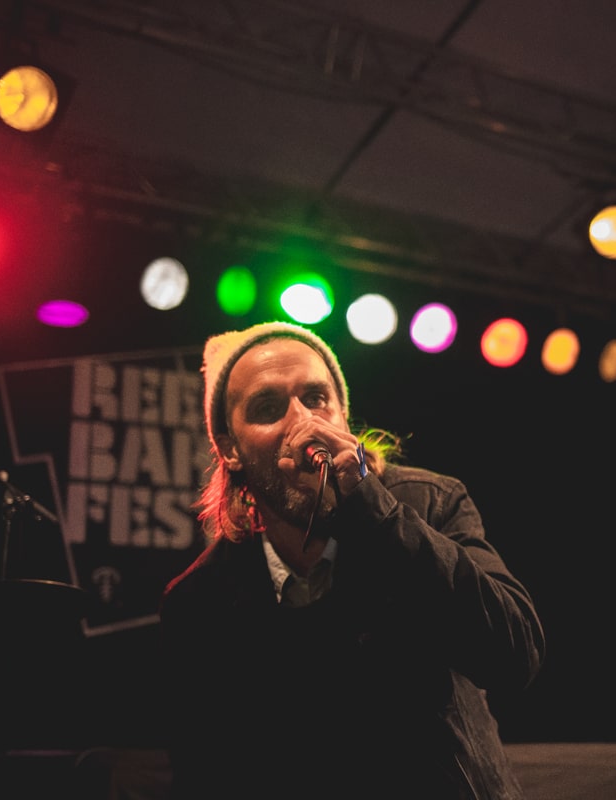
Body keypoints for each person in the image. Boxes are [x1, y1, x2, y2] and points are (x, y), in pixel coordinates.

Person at [158, 321, 545, 799]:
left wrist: (377, 515)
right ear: (230, 447)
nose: (303, 423)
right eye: (267, 408)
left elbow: (515, 657)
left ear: (342, 416)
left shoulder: (430, 503)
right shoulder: (199, 602)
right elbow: (204, 774)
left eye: (316, 399)